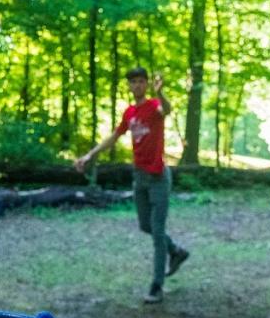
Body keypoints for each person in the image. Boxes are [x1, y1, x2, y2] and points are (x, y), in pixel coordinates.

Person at [74, 67, 189, 304]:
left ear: (147, 84)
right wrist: (89, 156)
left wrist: (162, 93)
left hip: (159, 177)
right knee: (145, 226)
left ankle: (156, 286)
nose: (137, 85)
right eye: (133, 82)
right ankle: (176, 251)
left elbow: (166, 109)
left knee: (157, 232)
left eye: (141, 82)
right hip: (140, 177)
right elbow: (113, 137)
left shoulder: (154, 106)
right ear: (129, 86)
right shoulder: (129, 113)